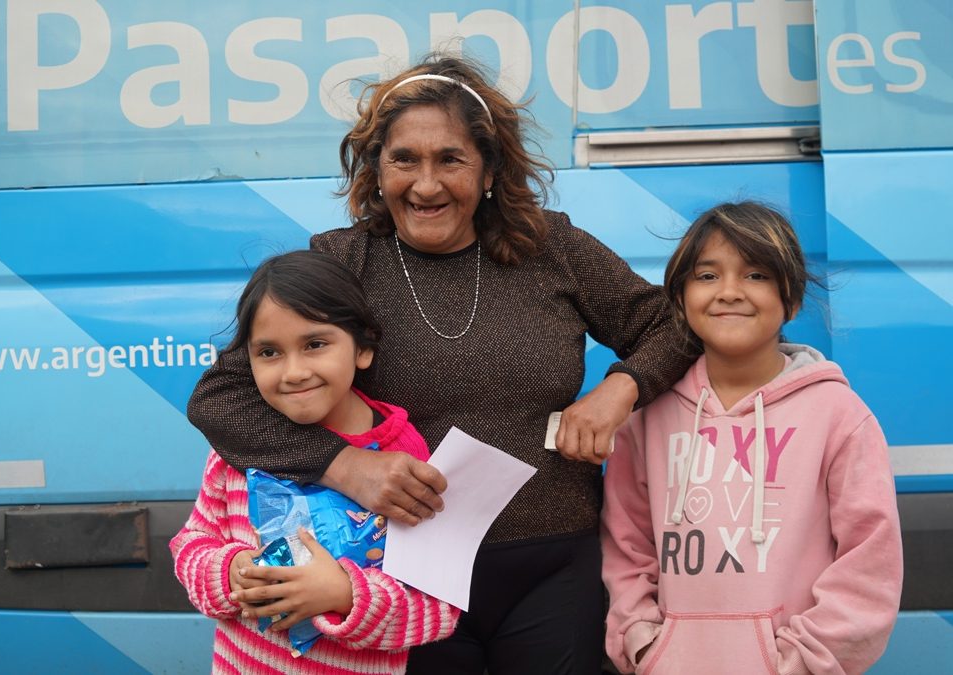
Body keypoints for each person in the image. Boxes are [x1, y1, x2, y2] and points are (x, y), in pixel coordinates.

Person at [187, 55, 694, 674]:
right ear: (376, 170)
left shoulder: (551, 246)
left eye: (449, 159)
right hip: (400, 578)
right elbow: (221, 397)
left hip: (553, 567)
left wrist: (622, 387)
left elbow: (671, 323)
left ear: (488, 169)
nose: (426, 186)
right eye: (404, 160)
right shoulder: (343, 263)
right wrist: (348, 467)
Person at [601, 202, 903, 674]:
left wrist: (800, 662)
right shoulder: (646, 416)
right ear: (679, 297)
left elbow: (869, 562)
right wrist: (643, 643)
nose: (729, 292)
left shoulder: (840, 415)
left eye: (756, 275)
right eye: (706, 276)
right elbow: (626, 543)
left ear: (793, 299)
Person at [170, 250, 459, 675]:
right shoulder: (242, 445)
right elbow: (190, 546)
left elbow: (438, 611)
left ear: (363, 349)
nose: (294, 372)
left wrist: (344, 594)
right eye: (269, 352)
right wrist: (232, 571)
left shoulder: (406, 463)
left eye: (315, 344)